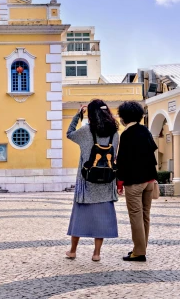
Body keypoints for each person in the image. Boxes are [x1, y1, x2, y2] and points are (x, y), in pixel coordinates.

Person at [65, 99, 119, 262]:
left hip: (86, 181)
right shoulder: (114, 133)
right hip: (106, 182)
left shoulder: (85, 131)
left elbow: (69, 133)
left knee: (79, 217)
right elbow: (114, 155)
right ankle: (96, 253)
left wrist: (78, 115)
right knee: (101, 220)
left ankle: (73, 250)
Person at [116, 101, 158, 262]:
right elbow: (152, 154)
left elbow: (123, 161)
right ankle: (141, 247)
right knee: (145, 215)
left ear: (124, 117)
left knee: (135, 216)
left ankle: (139, 252)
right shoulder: (145, 131)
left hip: (134, 182)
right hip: (149, 181)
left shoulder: (126, 135)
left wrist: (120, 182)